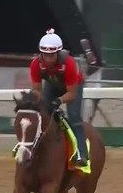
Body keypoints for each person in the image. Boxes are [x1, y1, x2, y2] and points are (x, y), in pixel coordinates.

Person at [30, 28, 88, 167]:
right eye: (45, 55)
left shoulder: (68, 63)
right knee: (43, 113)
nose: (49, 59)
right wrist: (41, 103)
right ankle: (34, 148)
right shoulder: (35, 65)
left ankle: (81, 153)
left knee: (74, 116)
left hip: (72, 87)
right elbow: (37, 91)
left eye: (52, 55)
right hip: (52, 84)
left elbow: (71, 93)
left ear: (58, 53)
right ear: (41, 54)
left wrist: (59, 100)